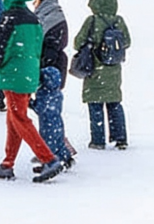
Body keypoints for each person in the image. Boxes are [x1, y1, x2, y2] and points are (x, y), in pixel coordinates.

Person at [0, 0, 63, 183]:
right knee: (14, 118)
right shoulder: (33, 18)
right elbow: (38, 47)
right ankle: (7, 163)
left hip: (13, 74)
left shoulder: (8, 18)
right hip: (29, 73)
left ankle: (49, 159)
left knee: (19, 118)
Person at [75, 0, 130, 150]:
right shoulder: (119, 20)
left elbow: (77, 42)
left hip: (95, 69)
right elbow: (127, 42)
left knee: (95, 104)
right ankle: (121, 138)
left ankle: (98, 141)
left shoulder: (92, 20)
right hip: (113, 69)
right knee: (114, 103)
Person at [30, 66, 72, 170]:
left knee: (48, 144)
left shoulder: (44, 94)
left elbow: (39, 108)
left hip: (47, 124)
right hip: (58, 122)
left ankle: (48, 163)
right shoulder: (57, 93)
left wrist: (30, 102)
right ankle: (66, 158)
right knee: (59, 142)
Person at [34, 0, 67, 90]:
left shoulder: (45, 16)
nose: (33, 3)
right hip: (57, 65)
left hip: (48, 65)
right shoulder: (56, 13)